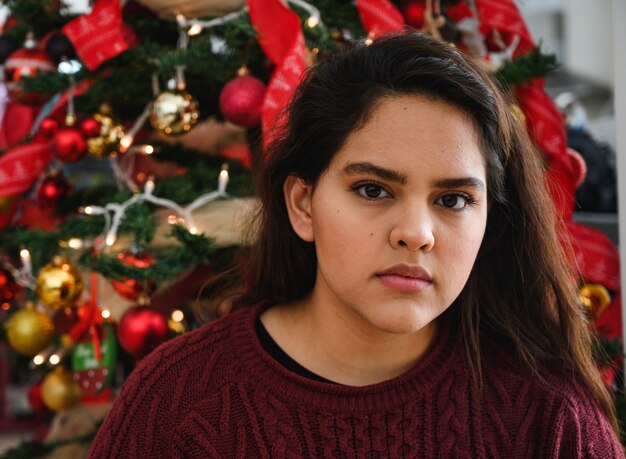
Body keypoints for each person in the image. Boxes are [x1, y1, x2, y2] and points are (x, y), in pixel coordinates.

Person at [88, 32, 624, 458]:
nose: (416, 232)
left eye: (455, 200)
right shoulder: (177, 402)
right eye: (373, 189)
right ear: (303, 205)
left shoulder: (550, 418)